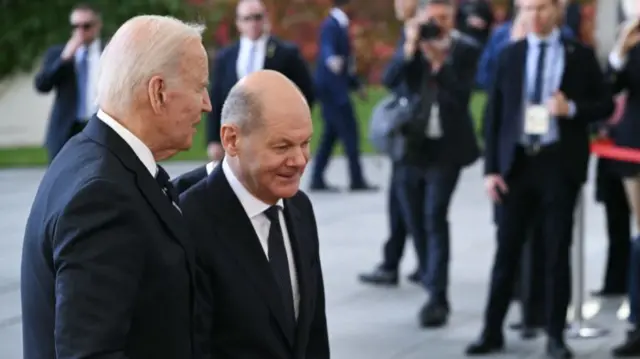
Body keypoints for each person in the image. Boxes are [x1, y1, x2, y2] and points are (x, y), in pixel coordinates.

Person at [21, 15, 211, 359]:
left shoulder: (93, 154)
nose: (207, 103)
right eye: (200, 87)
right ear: (158, 93)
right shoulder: (101, 196)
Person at [465, 0, 614, 357]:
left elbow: (605, 104)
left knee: (555, 252)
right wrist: (491, 170)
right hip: (517, 167)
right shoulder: (510, 54)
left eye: (541, 8)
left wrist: (572, 109)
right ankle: (491, 331)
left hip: (558, 166)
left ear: (557, 10)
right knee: (506, 253)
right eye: (526, 9)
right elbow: (494, 115)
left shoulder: (578, 54)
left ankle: (555, 336)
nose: (534, 16)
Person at [179, 70, 329, 358]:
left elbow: (313, 334)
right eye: (282, 146)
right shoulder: (189, 221)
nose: (299, 161)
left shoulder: (300, 207)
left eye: (305, 143)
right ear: (232, 139)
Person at [389, 0, 481, 328]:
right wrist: (411, 48)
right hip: (413, 145)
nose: (437, 26)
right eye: (432, 19)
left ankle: (437, 296)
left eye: (443, 19)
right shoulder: (414, 41)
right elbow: (391, 80)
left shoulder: (465, 49)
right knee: (415, 218)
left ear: (453, 19)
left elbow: (463, 95)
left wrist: (442, 63)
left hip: (448, 148)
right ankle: (431, 278)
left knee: (434, 216)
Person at [358, 0, 423, 286]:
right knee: (400, 200)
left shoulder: (424, 32)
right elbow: (392, 78)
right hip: (407, 128)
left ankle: (422, 264)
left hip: (417, 129)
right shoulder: (407, 34)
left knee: (412, 203)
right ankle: (394, 262)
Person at [206, 0, 314, 162]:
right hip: (236, 135)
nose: (253, 23)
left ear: (265, 19)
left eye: (257, 17)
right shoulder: (226, 57)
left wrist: (295, 129)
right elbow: (216, 98)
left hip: (274, 134)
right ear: (238, 23)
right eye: (247, 18)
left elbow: (306, 92)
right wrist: (213, 139)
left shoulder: (286, 54)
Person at [310, 0, 377, 192]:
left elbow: (344, 62)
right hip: (332, 91)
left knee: (330, 135)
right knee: (350, 133)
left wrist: (356, 84)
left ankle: (317, 178)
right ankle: (356, 179)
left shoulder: (339, 24)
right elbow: (327, 49)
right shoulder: (332, 25)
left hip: (335, 87)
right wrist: (331, 59)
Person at [606, 18, 640, 357]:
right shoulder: (634, 44)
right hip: (635, 150)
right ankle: (637, 325)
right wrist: (619, 51)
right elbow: (610, 87)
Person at [34, 3, 103, 162]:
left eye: (86, 26)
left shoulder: (109, 51)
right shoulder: (58, 54)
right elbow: (42, 85)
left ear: (97, 25)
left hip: (99, 125)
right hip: (66, 129)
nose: (80, 31)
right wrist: (65, 58)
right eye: (75, 26)